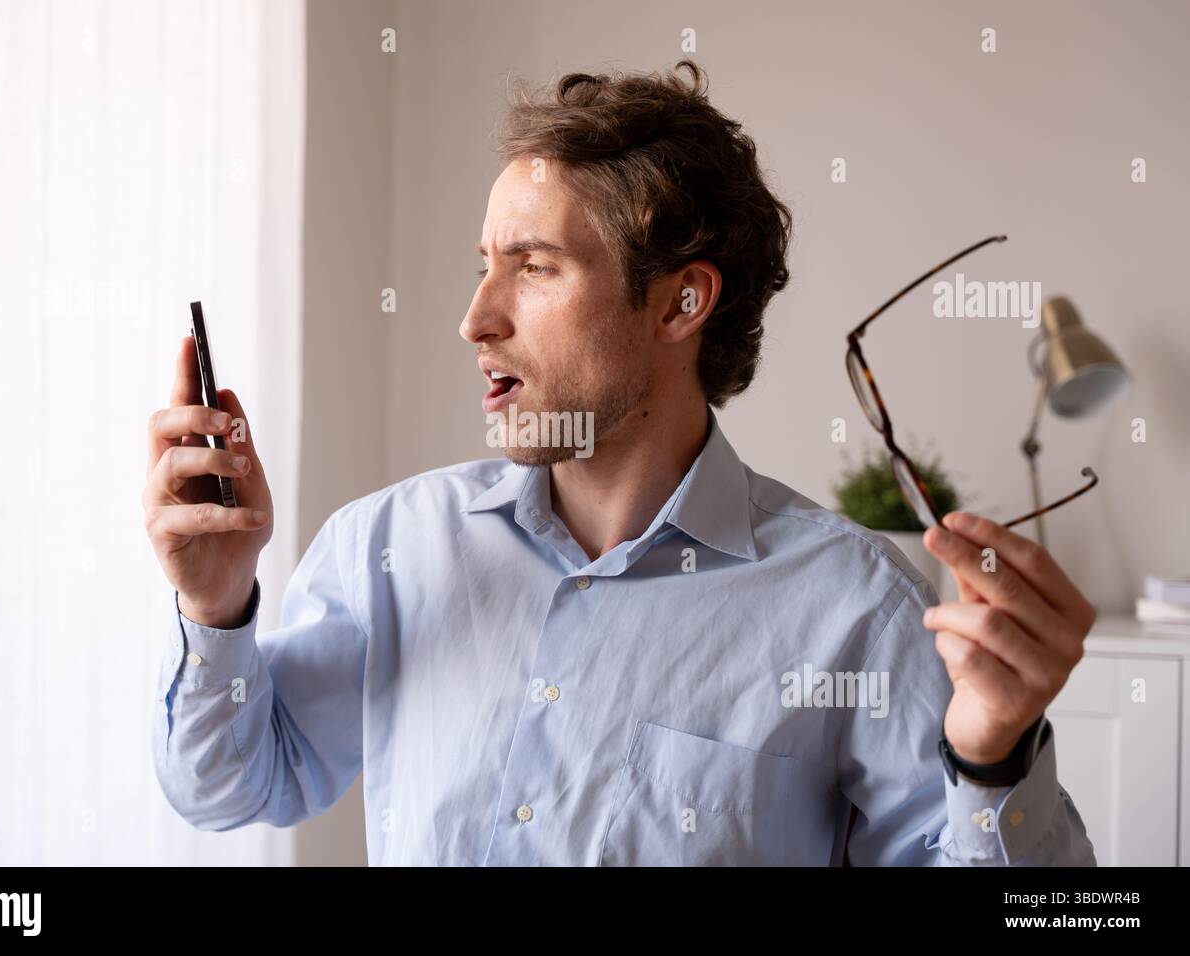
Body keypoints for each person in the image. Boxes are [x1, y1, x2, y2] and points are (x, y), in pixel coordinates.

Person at [142, 60, 1096, 865]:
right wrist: (217, 609)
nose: (475, 319)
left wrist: (991, 760)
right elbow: (228, 787)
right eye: (483, 263)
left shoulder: (853, 609)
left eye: (536, 266)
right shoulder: (384, 548)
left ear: (682, 304)